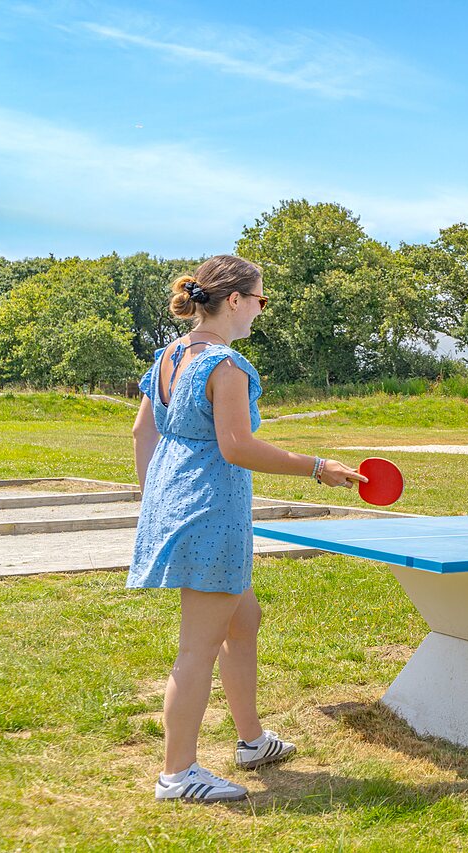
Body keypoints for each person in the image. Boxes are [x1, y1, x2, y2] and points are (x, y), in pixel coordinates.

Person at [129, 255, 365, 802]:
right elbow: (237, 446)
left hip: (180, 506)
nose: (262, 309)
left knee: (244, 619)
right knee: (198, 648)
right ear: (234, 300)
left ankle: (251, 741)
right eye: (261, 299)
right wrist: (316, 467)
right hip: (211, 513)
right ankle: (178, 774)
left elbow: (143, 433)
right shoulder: (228, 366)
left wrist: (154, 499)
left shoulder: (167, 356)